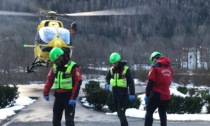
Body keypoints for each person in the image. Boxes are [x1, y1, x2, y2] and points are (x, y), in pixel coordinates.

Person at [43, 47, 82, 126]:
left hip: (69, 97)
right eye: (53, 61)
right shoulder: (55, 67)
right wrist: (45, 92)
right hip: (58, 96)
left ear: (61, 57)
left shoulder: (73, 66)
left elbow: (78, 81)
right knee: (56, 121)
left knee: (69, 121)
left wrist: (73, 97)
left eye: (56, 61)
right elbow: (50, 79)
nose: (55, 63)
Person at [105, 52, 135, 126]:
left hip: (123, 94)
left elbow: (131, 82)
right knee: (119, 114)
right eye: (112, 63)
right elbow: (107, 78)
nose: (114, 64)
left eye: (115, 63)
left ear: (118, 61)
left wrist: (132, 93)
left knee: (121, 113)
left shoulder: (125, 69)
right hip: (115, 94)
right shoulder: (111, 70)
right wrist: (107, 84)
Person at [144, 51, 173, 126]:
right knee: (163, 115)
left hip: (156, 95)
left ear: (154, 59)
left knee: (149, 113)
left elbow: (151, 82)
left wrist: (147, 95)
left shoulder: (155, 68)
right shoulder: (170, 69)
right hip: (166, 95)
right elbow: (168, 82)